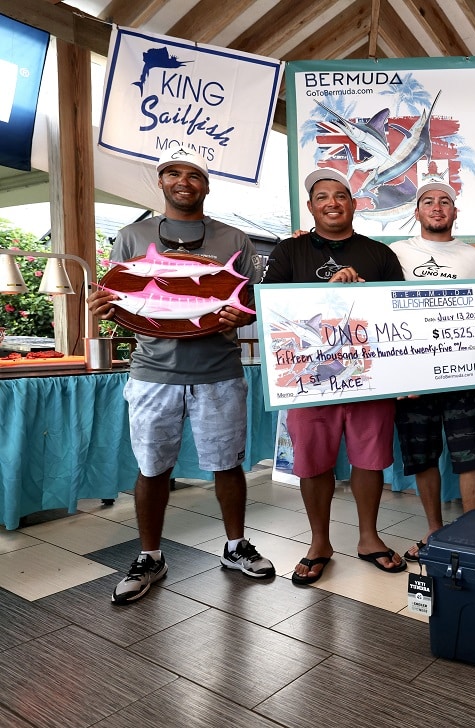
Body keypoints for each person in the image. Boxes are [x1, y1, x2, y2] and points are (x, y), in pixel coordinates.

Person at [87, 147, 275, 604]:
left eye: (194, 174)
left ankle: (235, 547)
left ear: (206, 185)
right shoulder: (131, 236)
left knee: (227, 464)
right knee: (152, 469)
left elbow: (250, 304)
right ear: (162, 181)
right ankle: (150, 555)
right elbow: (123, 300)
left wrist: (239, 316)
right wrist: (102, 309)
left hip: (219, 371)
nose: (183, 181)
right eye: (173, 173)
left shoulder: (236, 240)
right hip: (153, 373)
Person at [262, 167, 406, 583]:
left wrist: (362, 293)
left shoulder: (380, 253)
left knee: (370, 460)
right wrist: (332, 294)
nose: (332, 202)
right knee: (313, 463)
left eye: (341, 195)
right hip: (309, 380)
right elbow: (272, 307)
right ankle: (319, 542)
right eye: (322, 196)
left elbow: (397, 309)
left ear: (354, 204)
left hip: (369, 377)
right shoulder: (289, 253)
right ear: (310, 206)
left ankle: (369, 538)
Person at [388, 182, 475, 559]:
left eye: (445, 202)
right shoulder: (396, 253)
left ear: (455, 212)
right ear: (416, 212)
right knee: (423, 455)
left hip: (462, 372)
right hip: (414, 375)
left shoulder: (472, 257)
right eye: (428, 201)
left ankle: (472, 533)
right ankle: (434, 531)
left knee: (469, 452)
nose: (437, 207)